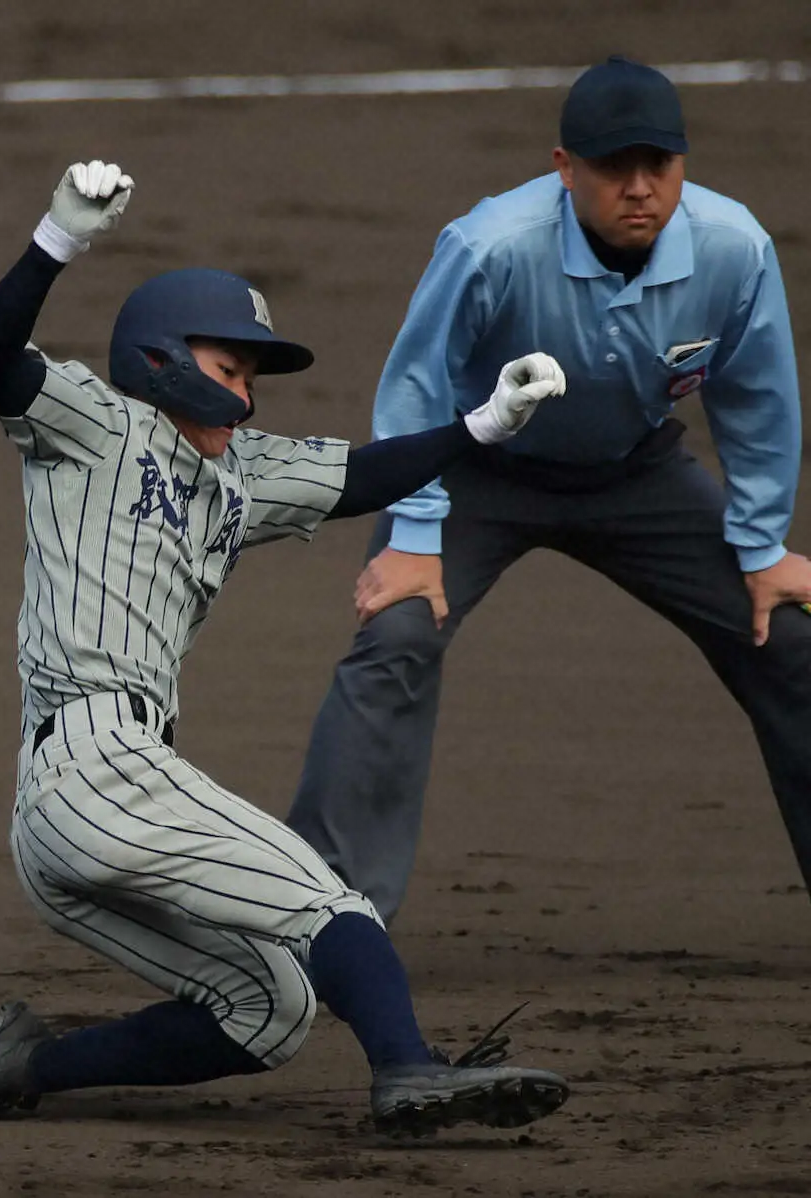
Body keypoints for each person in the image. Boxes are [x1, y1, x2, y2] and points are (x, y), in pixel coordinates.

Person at [0, 159, 570, 1137]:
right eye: (229, 366)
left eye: (252, 375)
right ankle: (409, 1070)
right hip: (94, 766)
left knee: (272, 1006)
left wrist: (483, 424)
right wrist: (58, 239)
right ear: (163, 358)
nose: (246, 391)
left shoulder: (240, 477)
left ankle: (22, 1064)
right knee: (331, 905)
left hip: (83, 803)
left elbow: (361, 475)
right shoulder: (97, 425)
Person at [287, 55, 811, 925]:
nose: (639, 189)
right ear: (564, 168)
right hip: (474, 473)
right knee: (398, 635)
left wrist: (760, 547)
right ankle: (321, 920)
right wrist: (415, 535)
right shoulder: (492, 245)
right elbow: (419, 384)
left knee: (787, 639)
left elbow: (755, 398)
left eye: (660, 166)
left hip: (638, 476)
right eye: (613, 168)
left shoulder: (735, 248)